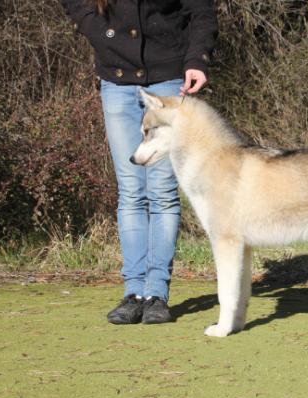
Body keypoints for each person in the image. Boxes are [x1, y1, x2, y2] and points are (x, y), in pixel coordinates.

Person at [59, 0, 218, 324]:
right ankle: (133, 293)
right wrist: (94, 27)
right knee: (131, 191)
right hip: (115, 80)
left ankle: (156, 294)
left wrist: (196, 60)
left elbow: (201, 10)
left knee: (162, 192)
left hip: (167, 79)